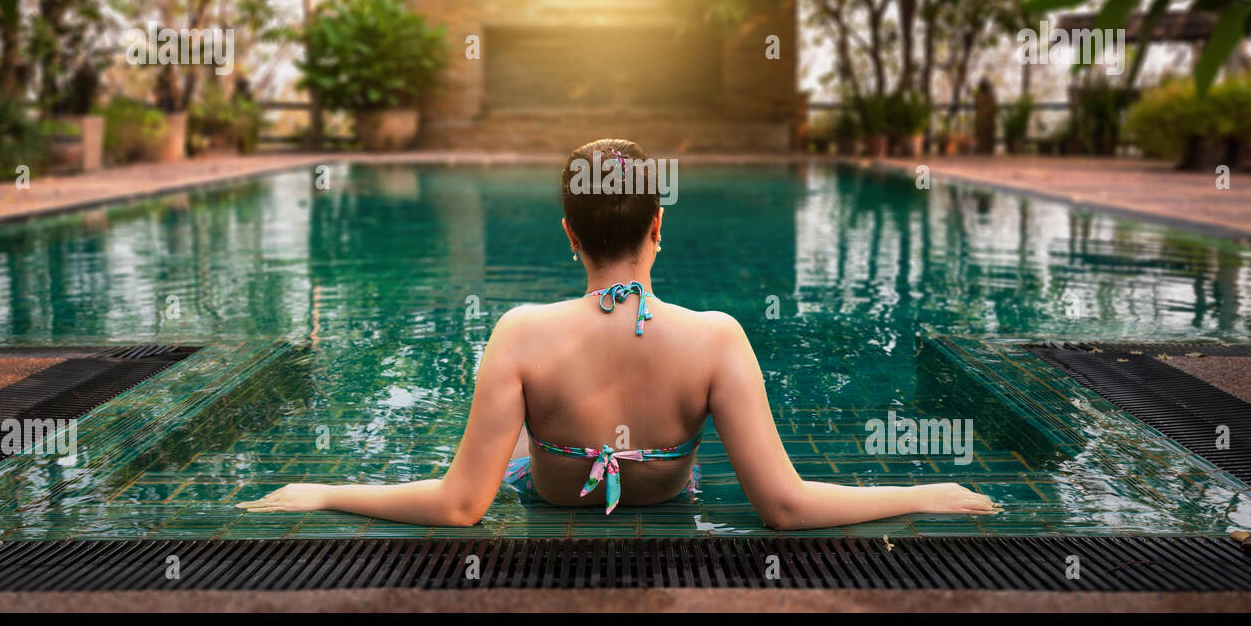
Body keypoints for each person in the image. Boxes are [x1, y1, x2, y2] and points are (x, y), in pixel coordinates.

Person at [238, 138, 1000, 528]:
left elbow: (458, 505)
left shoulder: (519, 333)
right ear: (658, 226)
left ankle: (542, 434)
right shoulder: (717, 338)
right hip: (662, 493)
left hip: (549, 490)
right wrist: (920, 490)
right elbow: (787, 505)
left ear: (570, 234)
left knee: (514, 443)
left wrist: (325, 489)